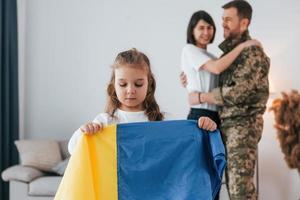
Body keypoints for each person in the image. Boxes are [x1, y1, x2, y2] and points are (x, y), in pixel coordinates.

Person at [187, 1, 270, 199]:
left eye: (228, 20)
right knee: (229, 187)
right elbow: (214, 73)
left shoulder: (251, 53)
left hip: (243, 126)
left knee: (240, 190)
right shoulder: (228, 55)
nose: (222, 23)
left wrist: (200, 96)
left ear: (243, 24)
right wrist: (188, 78)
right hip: (227, 126)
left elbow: (237, 93)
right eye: (222, 19)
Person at [68, 48, 218, 155]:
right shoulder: (105, 122)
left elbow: (187, 149)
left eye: (138, 84)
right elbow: (73, 149)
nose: (130, 90)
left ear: (149, 84)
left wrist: (203, 129)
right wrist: (84, 132)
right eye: (123, 84)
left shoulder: (161, 122)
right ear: (114, 85)